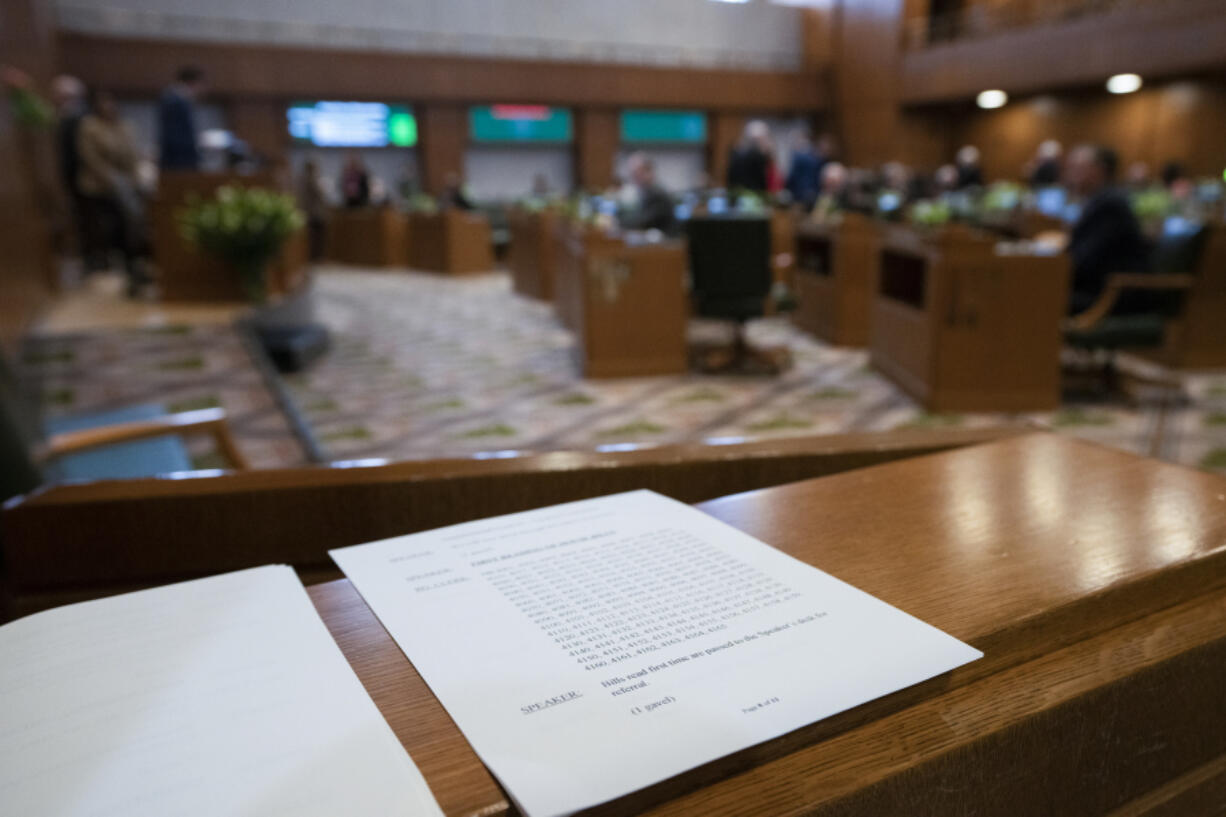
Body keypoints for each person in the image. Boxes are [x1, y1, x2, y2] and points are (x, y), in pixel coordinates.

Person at [77, 88, 149, 295]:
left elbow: (134, 156)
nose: (107, 106)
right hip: (101, 188)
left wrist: (135, 180)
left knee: (134, 227)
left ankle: (136, 268)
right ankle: (122, 270)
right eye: (103, 102)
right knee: (113, 229)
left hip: (127, 185)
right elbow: (89, 158)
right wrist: (113, 180)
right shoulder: (89, 127)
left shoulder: (126, 126)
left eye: (110, 101)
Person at [1065, 144, 1150, 314]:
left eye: (1078, 168)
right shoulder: (1101, 200)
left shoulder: (1110, 204)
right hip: (1097, 289)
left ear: (1100, 170)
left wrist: (1048, 268)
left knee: (1033, 297)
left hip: (1112, 296)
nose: (1070, 174)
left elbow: (1086, 260)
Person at [157, 65, 205, 171]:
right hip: (179, 160)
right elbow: (176, 136)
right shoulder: (176, 101)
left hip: (178, 157)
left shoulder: (174, 99)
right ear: (193, 82)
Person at [619, 152, 674, 233]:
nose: (634, 178)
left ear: (649, 172)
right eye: (632, 174)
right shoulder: (646, 192)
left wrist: (617, 223)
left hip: (665, 243)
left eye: (636, 173)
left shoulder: (658, 194)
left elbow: (644, 222)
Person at [297, 158, 329, 262]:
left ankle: (311, 257)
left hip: (306, 213)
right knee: (316, 238)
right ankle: (316, 258)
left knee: (311, 238)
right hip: (315, 214)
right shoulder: (312, 179)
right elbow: (320, 194)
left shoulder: (300, 179)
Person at [726, 120, 770, 193]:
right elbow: (762, 180)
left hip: (738, 193)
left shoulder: (737, 152)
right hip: (753, 194)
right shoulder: (758, 156)